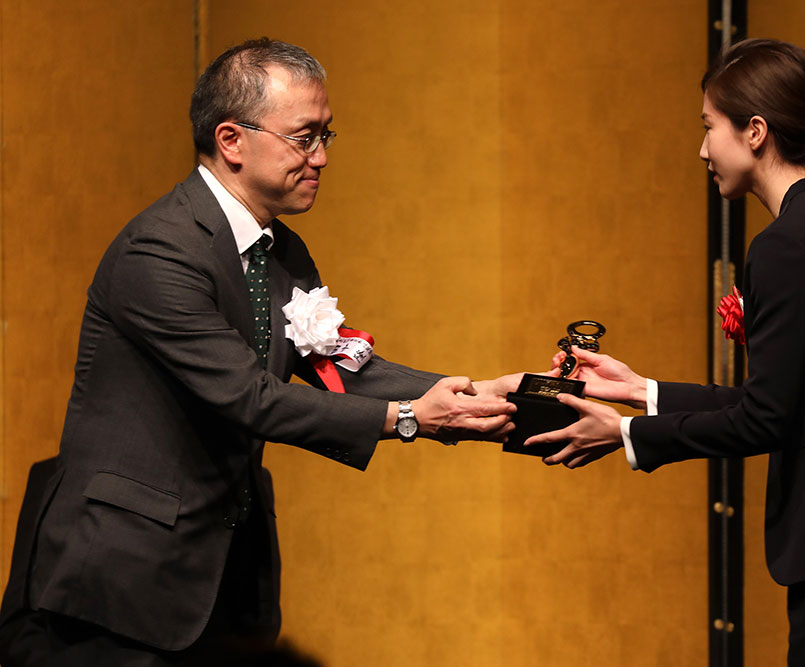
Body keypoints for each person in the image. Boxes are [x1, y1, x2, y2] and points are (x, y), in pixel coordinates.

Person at [0, 38, 518, 666]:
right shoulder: (158, 250)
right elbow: (248, 396)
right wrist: (407, 418)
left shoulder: (282, 250)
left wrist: (472, 394)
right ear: (232, 140)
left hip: (228, 579)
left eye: (328, 136)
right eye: (305, 138)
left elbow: (336, 364)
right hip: (122, 581)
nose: (322, 157)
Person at [526, 39, 805, 666]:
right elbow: (792, 400)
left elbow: (767, 419)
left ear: (755, 131)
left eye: (709, 127)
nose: (702, 148)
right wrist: (640, 391)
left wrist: (624, 435)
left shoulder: (787, 245)